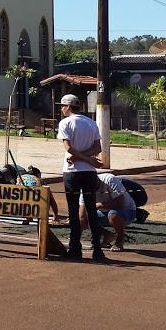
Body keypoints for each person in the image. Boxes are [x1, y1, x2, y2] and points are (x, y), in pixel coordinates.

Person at [56, 93, 106, 261]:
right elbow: (97, 147)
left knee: (73, 210)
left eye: (62, 106)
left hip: (72, 172)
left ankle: (75, 248)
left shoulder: (65, 123)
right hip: (89, 172)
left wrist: (78, 157)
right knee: (91, 209)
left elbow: (68, 148)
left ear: (68, 107)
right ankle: (97, 249)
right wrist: (86, 159)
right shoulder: (91, 123)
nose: (62, 109)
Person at [79, 172, 137, 251]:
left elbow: (120, 203)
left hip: (126, 210)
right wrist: (75, 241)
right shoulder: (85, 189)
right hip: (104, 213)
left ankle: (119, 240)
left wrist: (99, 205)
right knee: (81, 217)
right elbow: (82, 216)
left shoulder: (110, 179)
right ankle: (108, 235)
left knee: (113, 214)